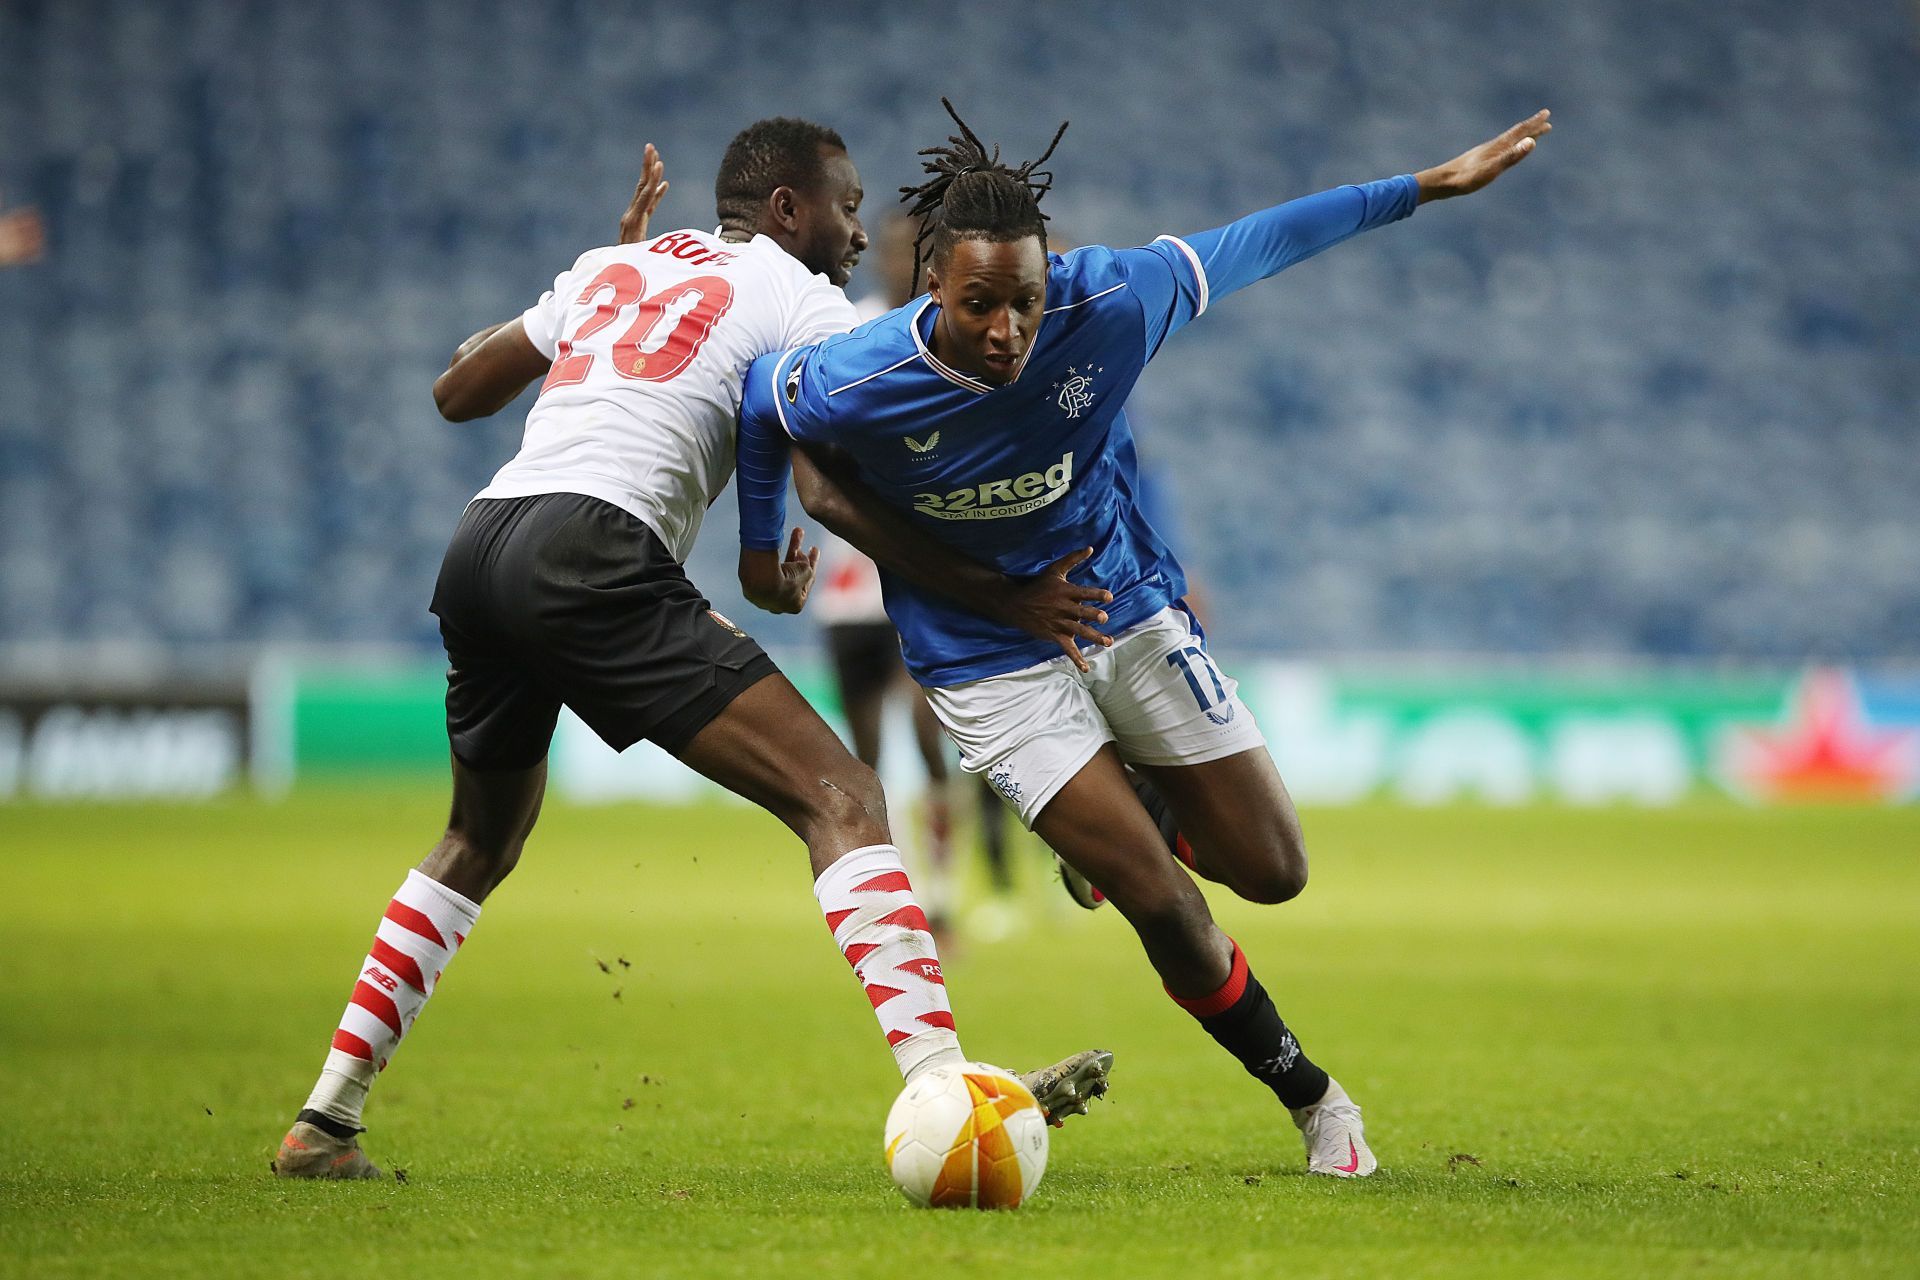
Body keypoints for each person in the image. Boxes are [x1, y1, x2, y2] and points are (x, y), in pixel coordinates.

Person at [273, 121, 1112, 1180]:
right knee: (844, 794)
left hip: (484, 543)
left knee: (477, 840)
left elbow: (456, 393)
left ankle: (324, 1119)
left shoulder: (615, 263)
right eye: (847, 208)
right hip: (593, 548)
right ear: (787, 211)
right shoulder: (800, 294)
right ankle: (945, 1085)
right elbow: (870, 433)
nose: (858, 234)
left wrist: (588, 291)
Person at [734, 101, 1552, 1178]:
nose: (1006, 333)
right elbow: (763, 405)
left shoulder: (1111, 300)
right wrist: (766, 550)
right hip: (986, 659)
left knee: (1275, 870)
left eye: (1025, 302)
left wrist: (1425, 186)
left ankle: (1133, 813)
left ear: (1052, 279)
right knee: (1161, 899)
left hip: (1122, 604)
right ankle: (1314, 1098)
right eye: (979, 305)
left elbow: (1262, 239)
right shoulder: (860, 371)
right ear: (932, 285)